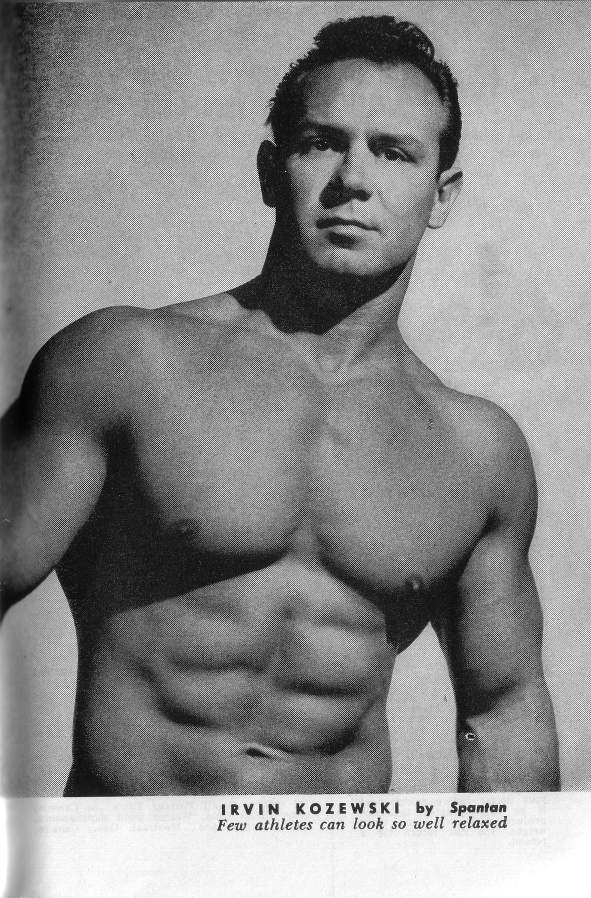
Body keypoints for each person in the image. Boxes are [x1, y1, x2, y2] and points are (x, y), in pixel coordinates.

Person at [1, 16, 559, 795]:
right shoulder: (124, 364)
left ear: (442, 195)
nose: (353, 179)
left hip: (334, 856)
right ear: (272, 171)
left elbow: (504, 715)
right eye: (322, 143)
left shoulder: (478, 451)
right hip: (133, 848)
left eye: (394, 152)